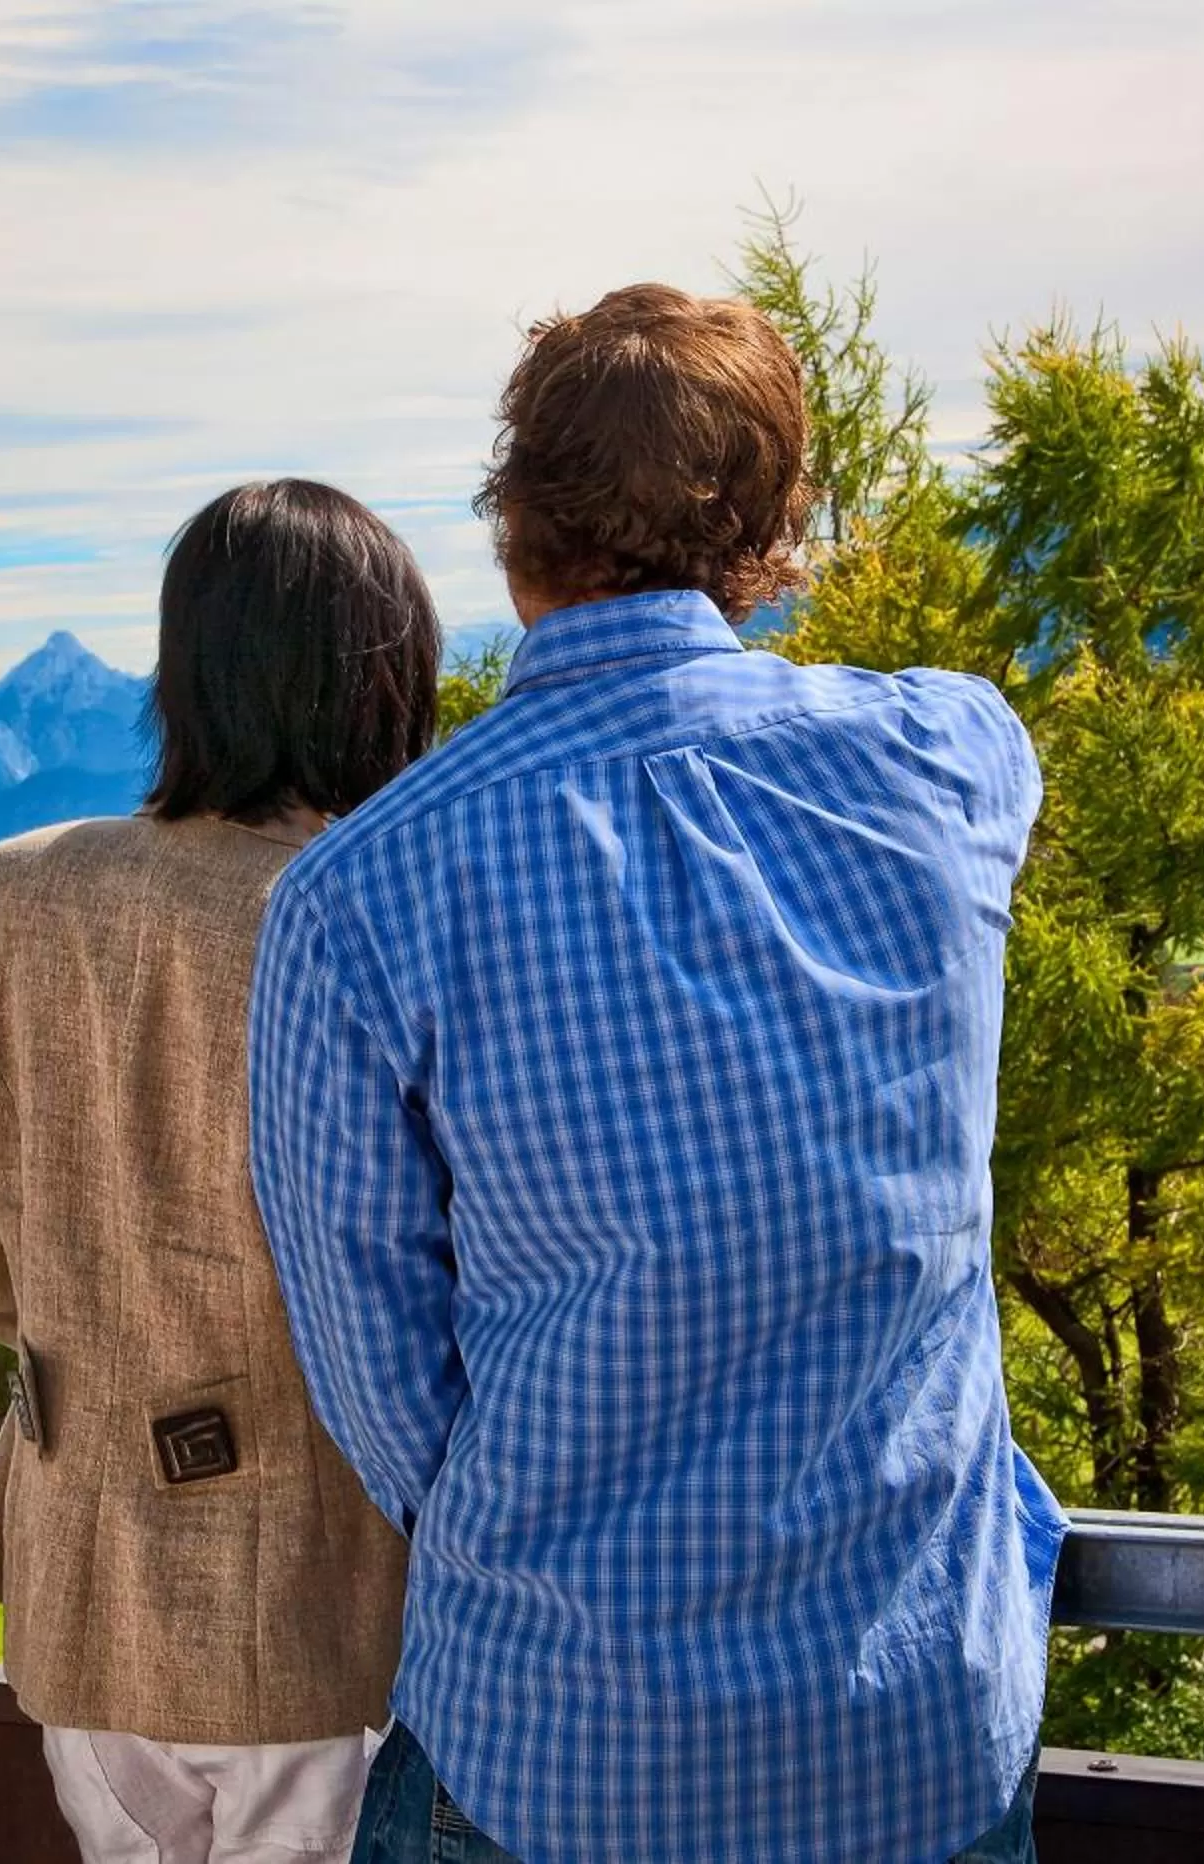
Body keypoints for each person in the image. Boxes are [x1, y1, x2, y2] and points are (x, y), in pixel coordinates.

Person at [247, 286, 1064, 1864]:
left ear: (512, 523)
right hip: (917, 1744)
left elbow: (389, 1401)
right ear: (776, 532)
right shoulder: (950, 762)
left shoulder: (358, 895)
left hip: (562, 1750)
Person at [0, 479, 442, 1864]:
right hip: (319, 1605)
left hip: (84, 1596)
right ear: (383, 677)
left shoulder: (21, 888)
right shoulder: (365, 904)